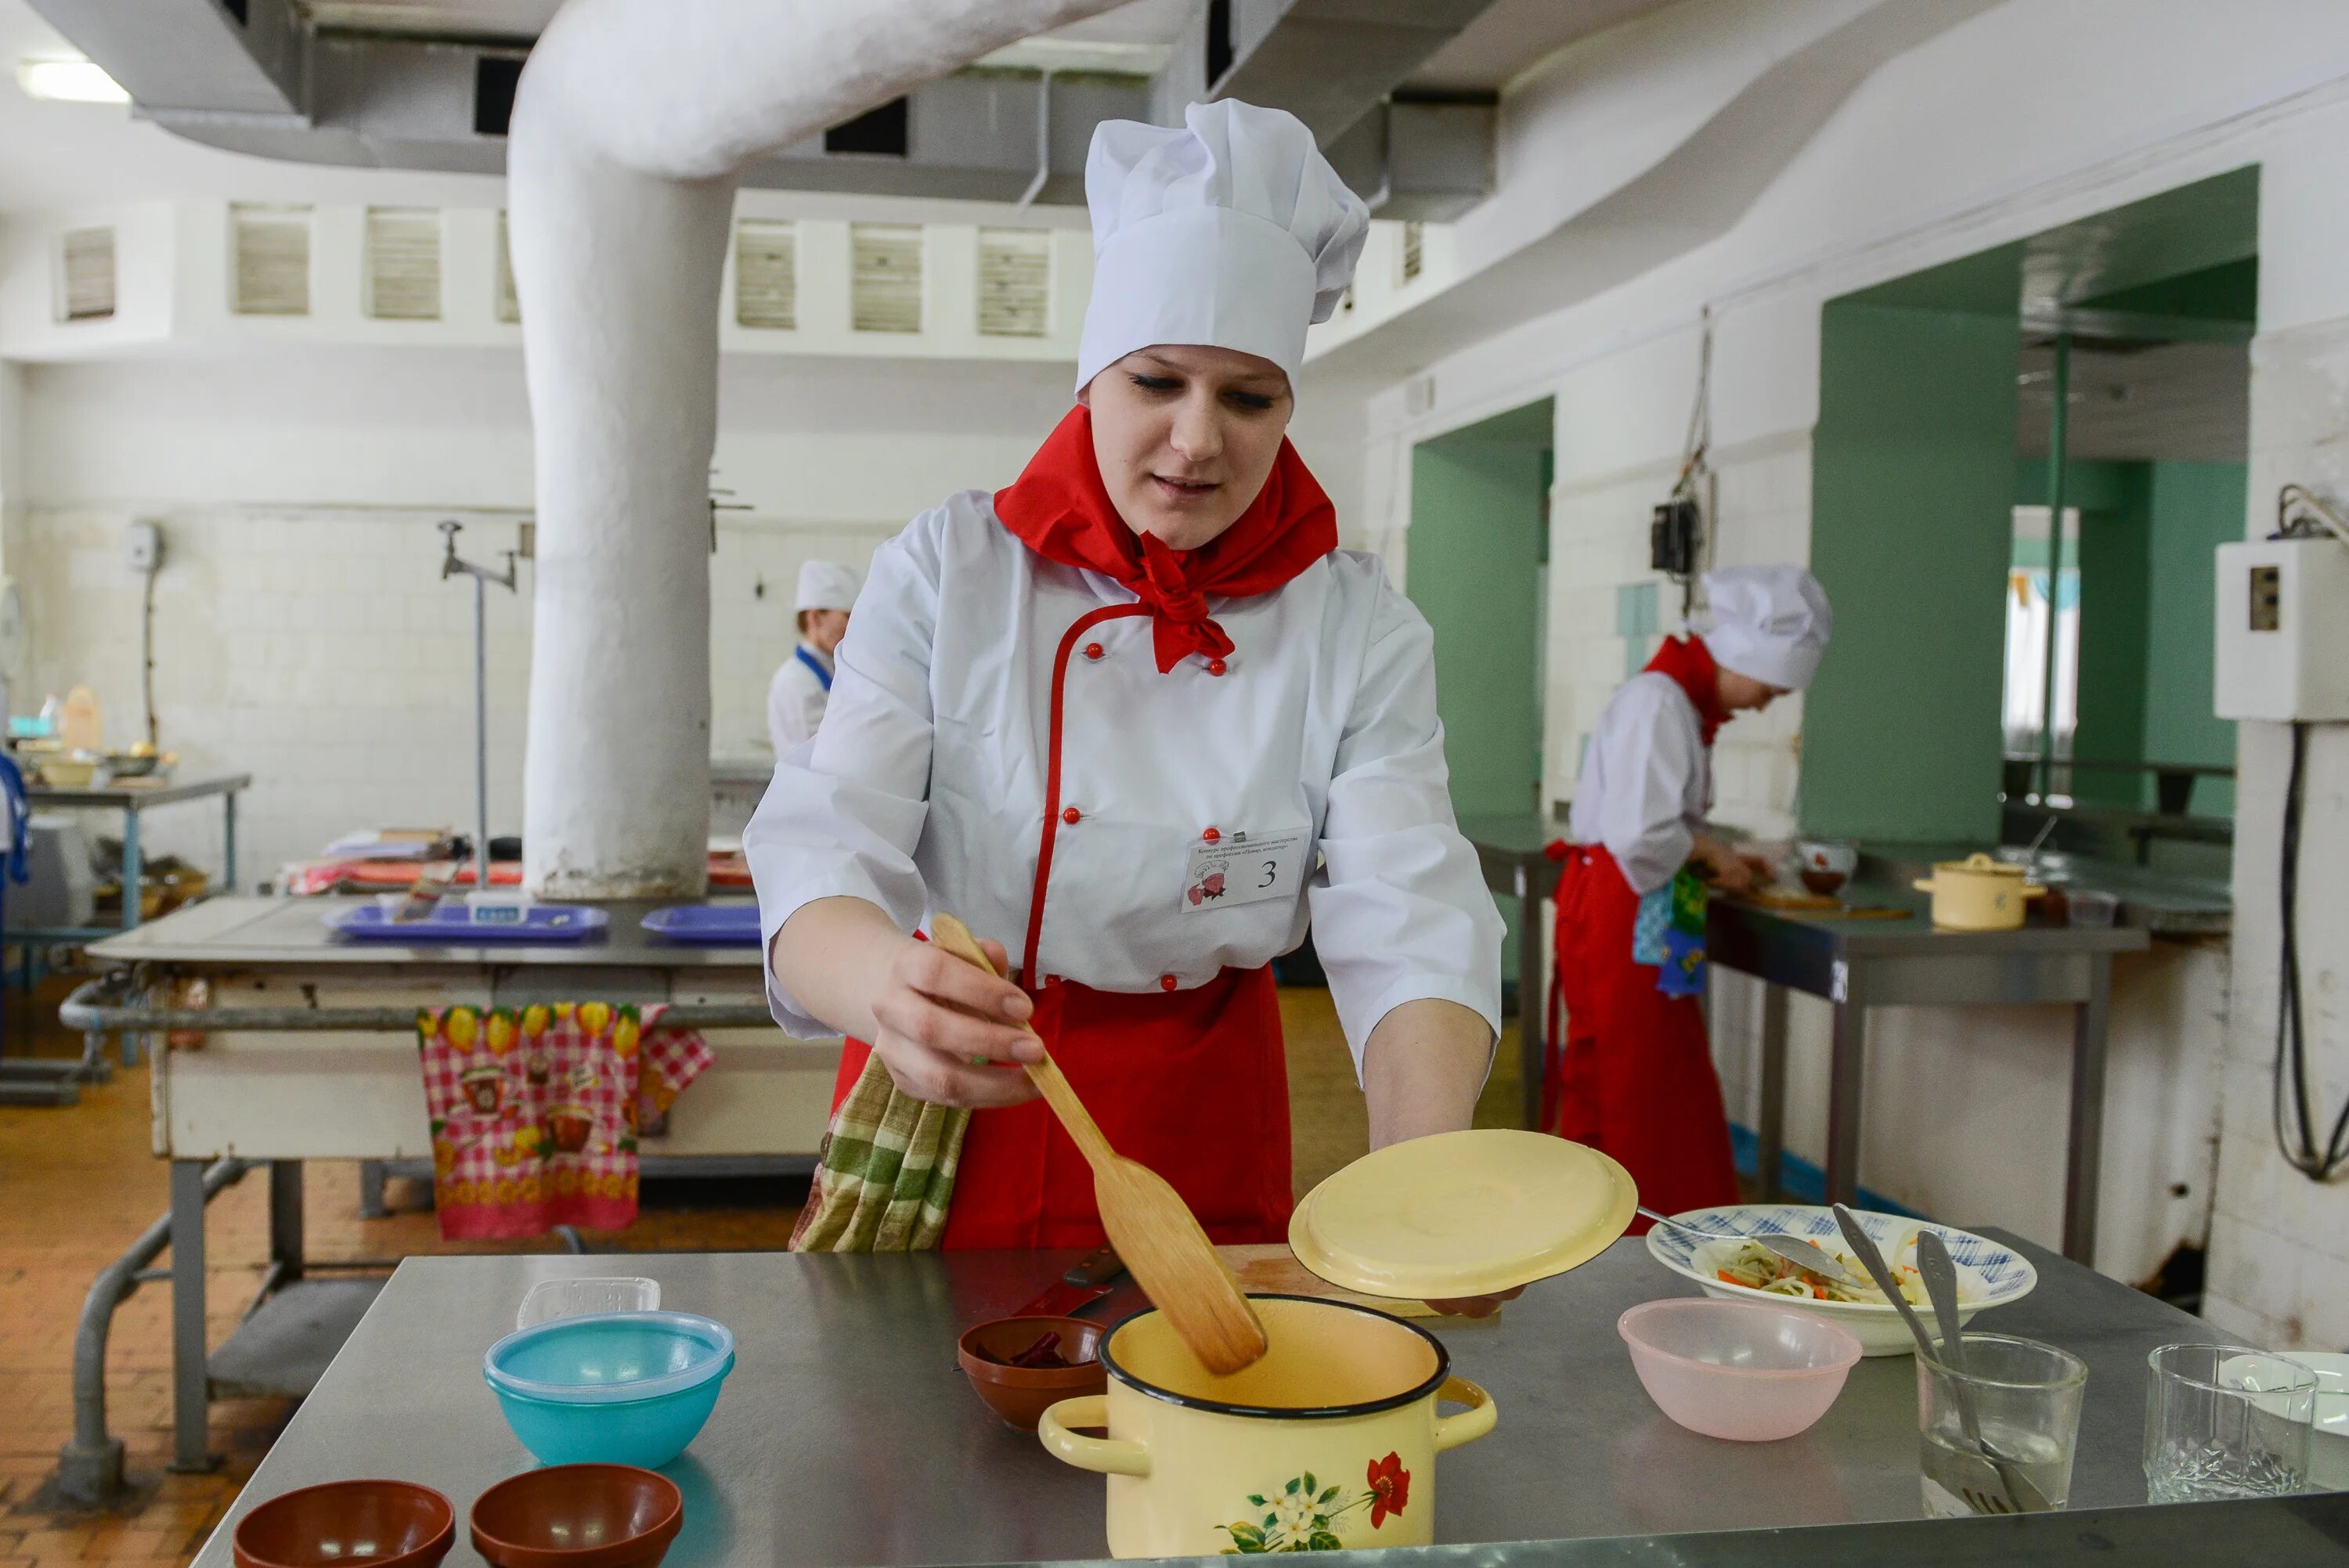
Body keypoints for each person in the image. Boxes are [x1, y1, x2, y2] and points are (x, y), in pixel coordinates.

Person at [746, 99, 1503, 1252]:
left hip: (1202, 1103)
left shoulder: (1357, 624)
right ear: (1092, 375)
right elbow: (822, 843)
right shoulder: (952, 571)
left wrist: (1423, 1170)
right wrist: (884, 991)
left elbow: (1415, 912)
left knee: (1215, 1409)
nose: (1200, 439)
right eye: (1158, 381)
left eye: (1248, 397)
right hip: (957, 1080)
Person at [1550, 565, 1832, 1225]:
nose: (1764, 702)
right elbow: (1642, 831)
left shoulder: (1673, 701)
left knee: (1623, 1077)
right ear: (1739, 655)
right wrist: (1712, 854)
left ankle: (1594, 1225)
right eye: (1768, 685)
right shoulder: (1660, 702)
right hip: (1624, 910)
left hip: (1628, 905)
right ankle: (1649, 1233)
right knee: (1640, 1085)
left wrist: (1716, 851)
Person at [765, 561, 859, 757]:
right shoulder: (795, 680)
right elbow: (821, 753)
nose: (853, 626)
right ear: (815, 617)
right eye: (847, 616)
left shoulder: (833, 670)